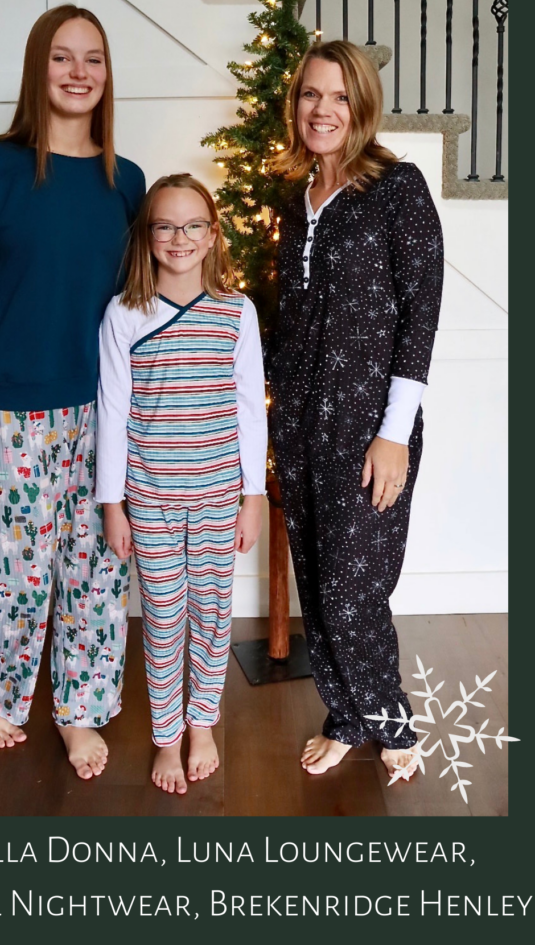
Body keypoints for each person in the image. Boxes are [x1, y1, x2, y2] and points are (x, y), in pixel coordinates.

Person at [0, 4, 145, 779]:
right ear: (37, 67)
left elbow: (139, 306)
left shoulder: (126, 181)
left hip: (100, 410)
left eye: (93, 58)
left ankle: (81, 708)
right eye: (62, 57)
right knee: (18, 573)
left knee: (96, 569)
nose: (79, 72)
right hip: (5, 409)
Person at [268, 40, 443, 781]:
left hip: (369, 425)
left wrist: (394, 433)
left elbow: (420, 312)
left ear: (361, 105)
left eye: (339, 96)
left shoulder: (397, 188)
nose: (323, 110)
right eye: (311, 94)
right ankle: (345, 716)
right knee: (316, 582)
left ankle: (391, 723)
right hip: (299, 421)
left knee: (353, 589)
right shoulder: (292, 199)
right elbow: (288, 317)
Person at [96, 174, 267, 794]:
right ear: (147, 236)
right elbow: (113, 409)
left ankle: (202, 726)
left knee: (213, 616)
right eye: (165, 226)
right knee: (164, 619)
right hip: (150, 498)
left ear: (213, 234)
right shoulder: (124, 313)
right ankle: (166, 736)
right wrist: (113, 504)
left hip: (220, 495)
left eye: (193, 225)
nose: (180, 237)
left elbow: (249, 408)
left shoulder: (236, 311)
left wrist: (253, 497)